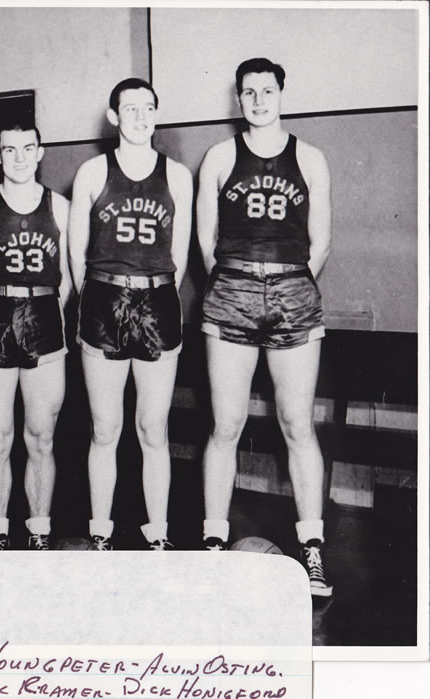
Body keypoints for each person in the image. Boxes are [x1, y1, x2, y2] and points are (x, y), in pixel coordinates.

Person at [196, 58, 332, 596]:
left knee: (297, 424)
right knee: (225, 424)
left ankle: (313, 551)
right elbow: (206, 244)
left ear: (281, 94)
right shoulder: (220, 156)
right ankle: (211, 543)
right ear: (237, 99)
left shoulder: (312, 158)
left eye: (267, 90)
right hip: (231, 291)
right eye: (248, 92)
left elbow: (320, 242)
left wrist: (284, 283)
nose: (257, 100)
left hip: (294, 290)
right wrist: (240, 283)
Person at [68, 77, 192, 551]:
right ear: (114, 117)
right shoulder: (92, 172)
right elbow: (77, 254)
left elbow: (177, 259)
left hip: (157, 303)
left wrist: (150, 296)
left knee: (153, 428)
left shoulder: (177, 175)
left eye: (149, 108)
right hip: (103, 302)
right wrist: (100, 299)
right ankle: (102, 532)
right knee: (104, 428)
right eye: (131, 109)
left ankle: (157, 534)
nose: (141, 117)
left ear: (156, 116)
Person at [0, 122, 71, 550]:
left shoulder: (60, 207)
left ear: (40, 152)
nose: (20, 158)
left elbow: (68, 280)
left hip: (43, 316)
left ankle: (39, 531)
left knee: (41, 435)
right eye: (10, 150)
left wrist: (44, 315)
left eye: (28, 149)